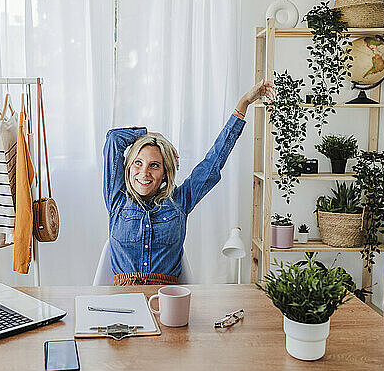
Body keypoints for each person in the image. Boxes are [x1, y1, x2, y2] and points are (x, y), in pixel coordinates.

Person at [103, 80, 276, 286]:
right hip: (123, 300)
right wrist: (150, 134)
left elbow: (214, 161)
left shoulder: (179, 201)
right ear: (129, 168)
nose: (144, 172)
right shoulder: (117, 199)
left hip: (167, 300)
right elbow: (114, 139)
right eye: (138, 163)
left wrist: (244, 103)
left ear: (166, 172)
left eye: (154, 165)